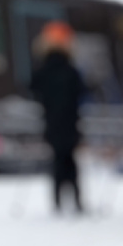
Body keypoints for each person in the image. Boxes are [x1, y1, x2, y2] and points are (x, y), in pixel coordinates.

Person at [30, 21, 86, 213]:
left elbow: (33, 89)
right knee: (70, 161)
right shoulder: (71, 71)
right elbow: (82, 93)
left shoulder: (42, 70)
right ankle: (77, 200)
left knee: (57, 161)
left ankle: (57, 200)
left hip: (51, 122)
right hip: (71, 123)